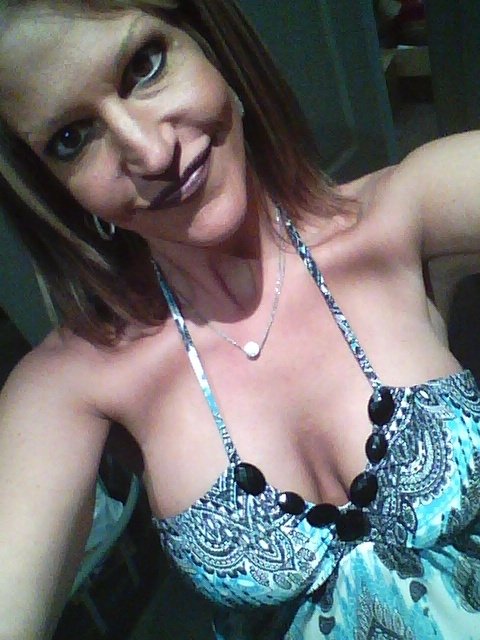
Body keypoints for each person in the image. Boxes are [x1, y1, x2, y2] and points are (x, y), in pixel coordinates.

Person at [0, 1, 479, 639]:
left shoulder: (403, 212)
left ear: (210, 45)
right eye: (72, 138)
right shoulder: (70, 384)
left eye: (145, 65)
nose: (152, 152)